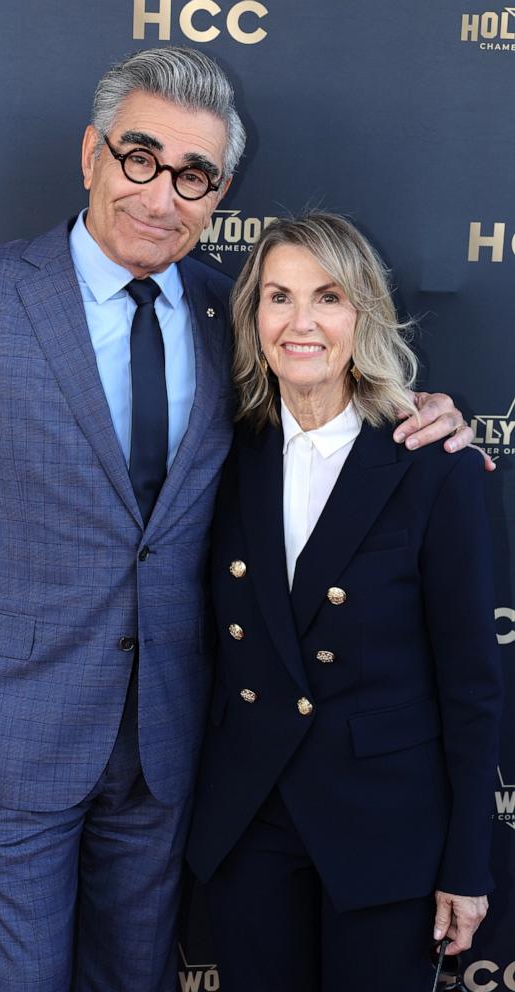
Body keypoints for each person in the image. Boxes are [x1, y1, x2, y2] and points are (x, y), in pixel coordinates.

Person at [0, 47, 478, 992]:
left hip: (172, 745)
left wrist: (427, 417)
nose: (159, 196)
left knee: (138, 979)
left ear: (217, 191)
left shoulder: (223, 309)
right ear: (91, 155)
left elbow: (322, 388)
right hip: (10, 745)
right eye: (139, 158)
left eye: (190, 175)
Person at [186, 212, 503, 992]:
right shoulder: (218, 454)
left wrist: (467, 862)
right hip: (250, 823)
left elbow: (471, 687)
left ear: (362, 312)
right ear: (251, 316)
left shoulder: (432, 466)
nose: (300, 323)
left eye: (326, 298)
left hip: (385, 830)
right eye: (276, 297)